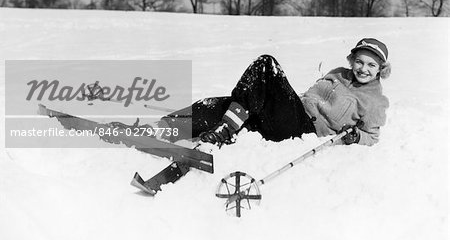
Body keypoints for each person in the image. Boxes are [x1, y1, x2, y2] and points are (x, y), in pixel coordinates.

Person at [161, 38, 390, 147]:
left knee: (266, 65)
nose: (363, 69)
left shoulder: (375, 101)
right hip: (290, 112)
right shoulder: (338, 73)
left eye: (371, 65)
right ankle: (165, 127)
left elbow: (372, 136)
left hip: (302, 127)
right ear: (353, 61)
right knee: (220, 104)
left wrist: (355, 136)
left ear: (381, 69)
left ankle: (227, 128)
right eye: (360, 62)